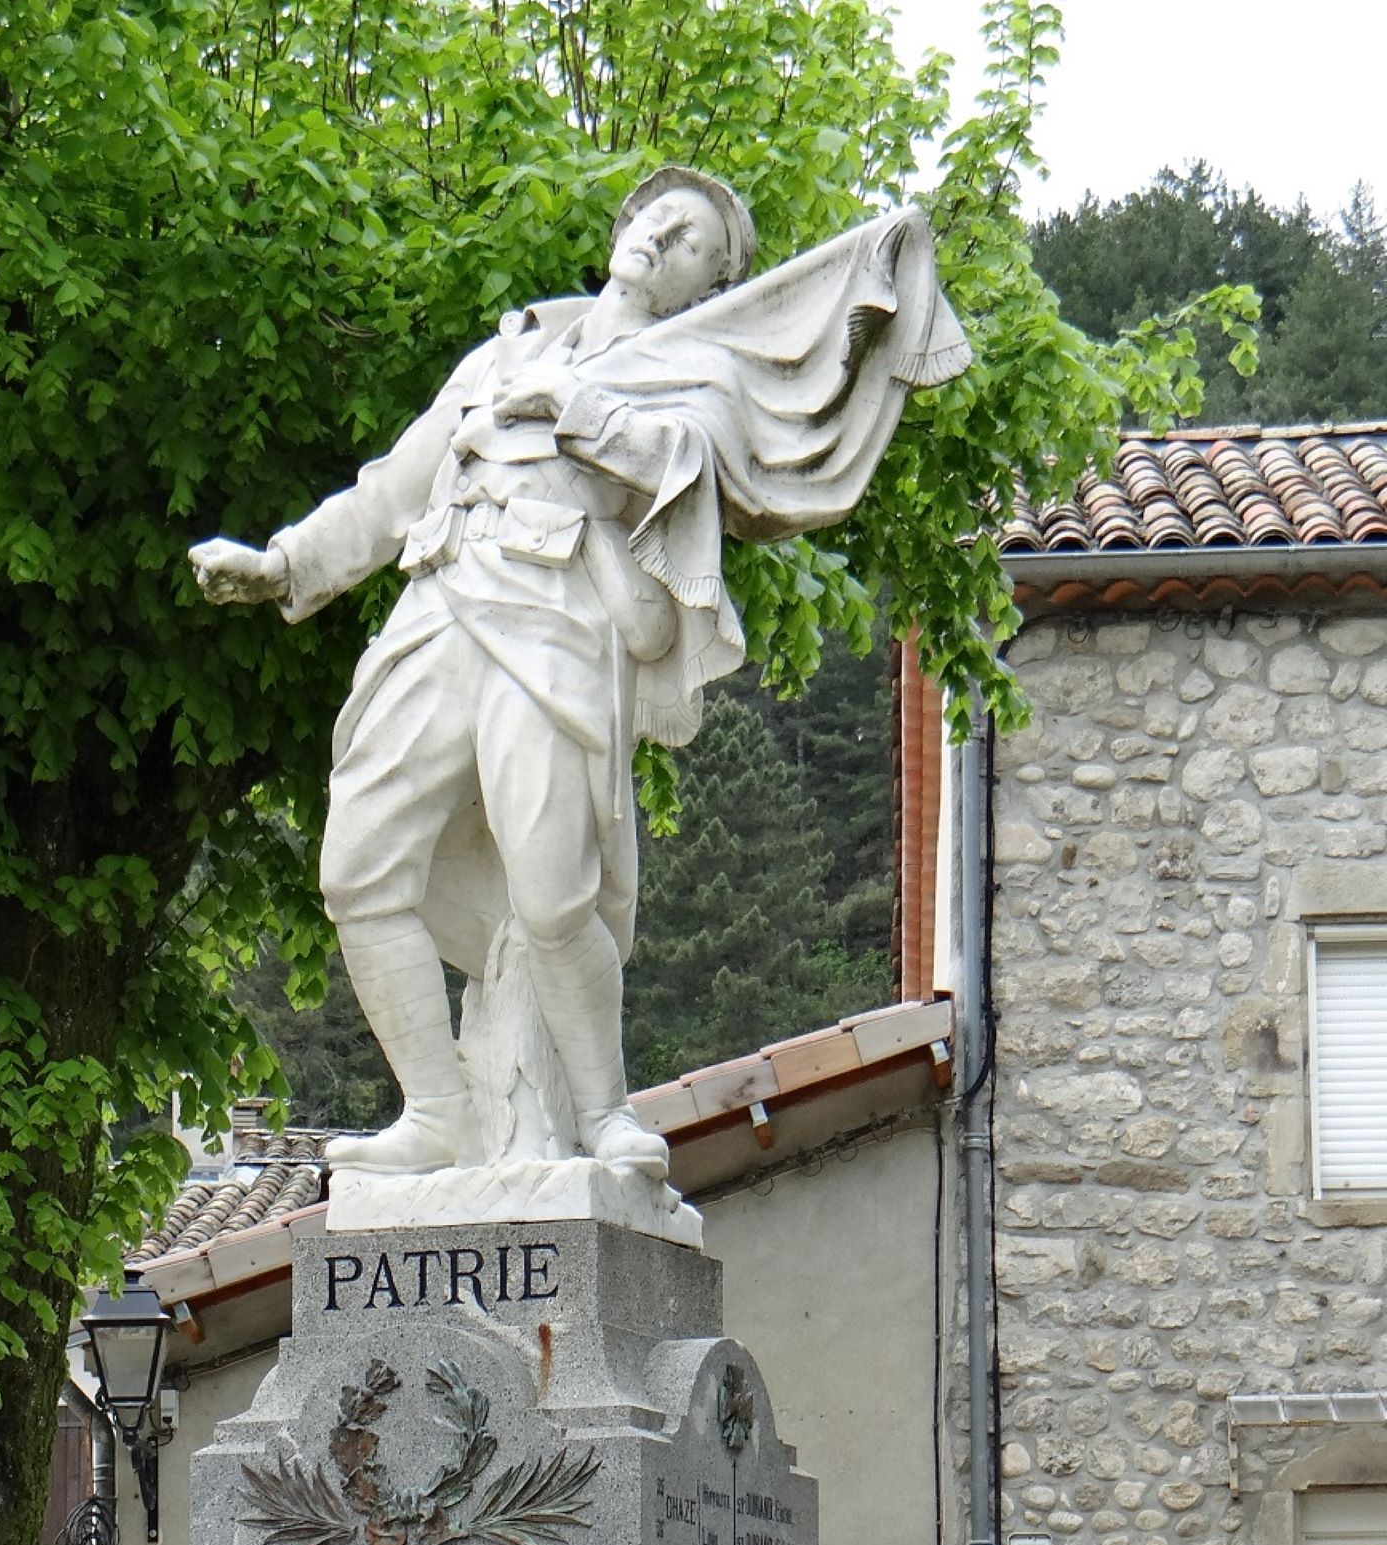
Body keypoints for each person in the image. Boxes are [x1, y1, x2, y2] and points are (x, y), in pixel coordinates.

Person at [192, 167, 967, 1179]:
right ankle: (435, 1112)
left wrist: (580, 411)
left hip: (555, 617)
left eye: (691, 241)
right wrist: (284, 563)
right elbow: (393, 490)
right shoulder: (506, 350)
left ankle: (602, 1115)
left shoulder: (694, 370)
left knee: (556, 893)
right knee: (357, 870)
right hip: (441, 605)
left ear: (708, 284)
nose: (661, 238)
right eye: (657, 218)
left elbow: (690, 465)